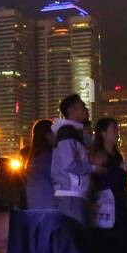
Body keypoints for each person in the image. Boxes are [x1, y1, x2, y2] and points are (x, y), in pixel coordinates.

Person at [90, 117, 127, 253]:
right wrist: (120, 171)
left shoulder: (116, 155)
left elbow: (119, 182)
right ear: (103, 133)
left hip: (118, 204)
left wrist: (124, 171)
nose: (117, 133)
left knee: (122, 243)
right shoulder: (98, 156)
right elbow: (100, 182)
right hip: (105, 206)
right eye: (113, 129)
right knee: (108, 245)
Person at [51, 96, 98, 226]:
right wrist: (94, 168)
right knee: (75, 238)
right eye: (83, 106)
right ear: (72, 110)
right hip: (71, 195)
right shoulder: (67, 131)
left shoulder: (74, 132)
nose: (86, 110)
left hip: (75, 195)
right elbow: (69, 163)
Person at [23, 119, 55, 211]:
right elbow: (57, 177)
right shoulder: (48, 155)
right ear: (47, 135)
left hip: (34, 206)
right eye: (54, 132)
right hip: (49, 205)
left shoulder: (33, 158)